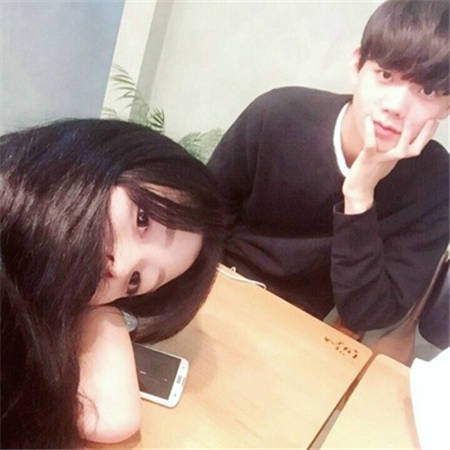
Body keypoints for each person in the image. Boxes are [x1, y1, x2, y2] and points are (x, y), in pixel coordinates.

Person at [207, 0, 449, 333]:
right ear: (357, 65)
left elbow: (369, 314)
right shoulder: (279, 114)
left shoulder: (436, 183)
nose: (396, 106)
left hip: (298, 329)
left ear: (446, 106)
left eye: (427, 90)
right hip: (214, 283)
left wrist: (359, 195)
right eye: (386, 75)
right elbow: (203, 217)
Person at [0, 119, 224, 448]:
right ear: (95, 159)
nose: (121, 267)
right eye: (142, 219)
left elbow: (109, 418)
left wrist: (102, 306)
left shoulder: (25, 310)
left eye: (136, 281)